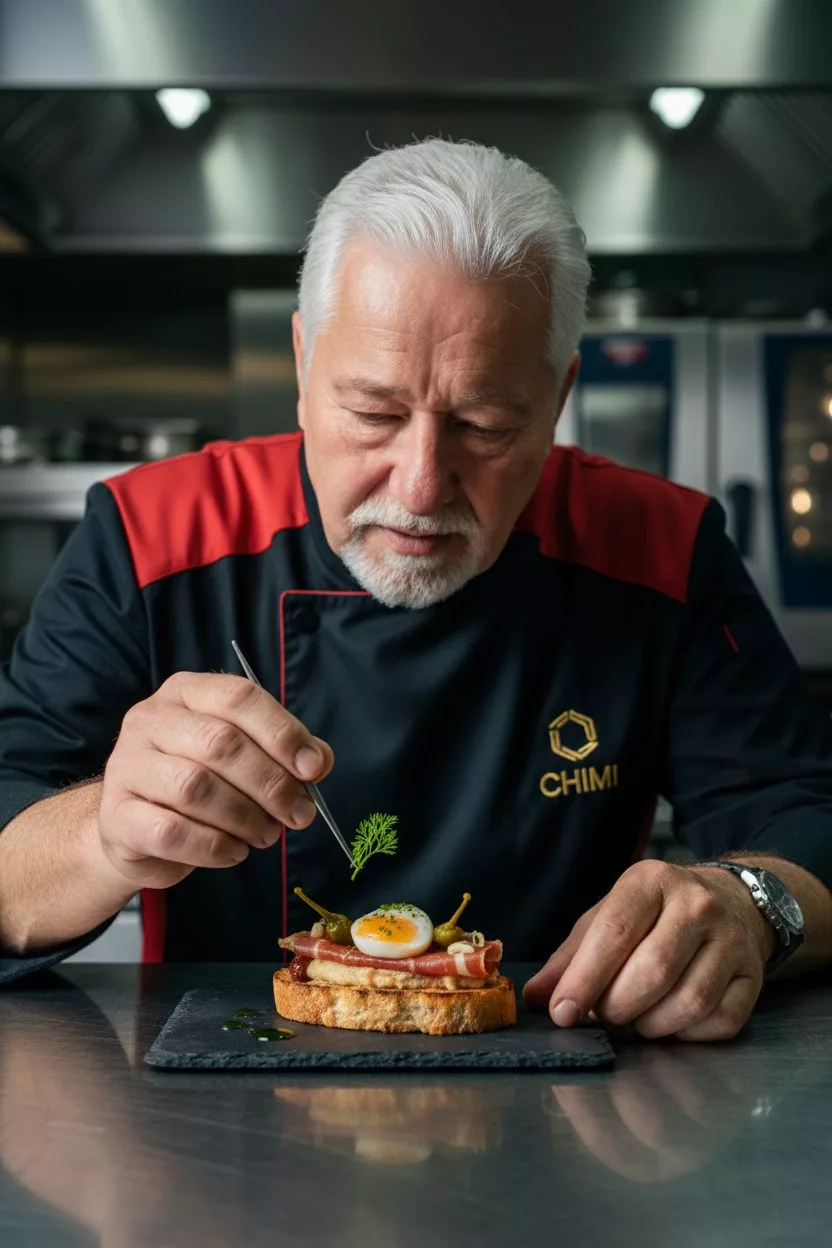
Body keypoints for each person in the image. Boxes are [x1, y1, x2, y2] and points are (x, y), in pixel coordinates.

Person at [1, 139, 831, 1040]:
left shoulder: (663, 548)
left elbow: (804, 819)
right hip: (219, 1087)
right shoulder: (149, 535)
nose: (421, 486)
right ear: (302, 365)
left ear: (558, 399)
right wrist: (104, 833)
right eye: (374, 413)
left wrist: (751, 904)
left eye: (485, 425)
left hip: (569, 1081)